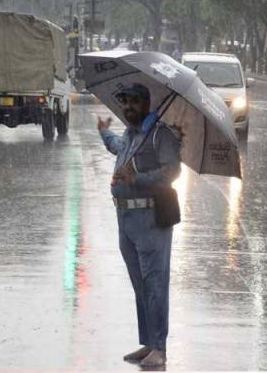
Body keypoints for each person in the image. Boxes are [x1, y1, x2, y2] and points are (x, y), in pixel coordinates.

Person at [96, 83, 181, 368]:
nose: (128, 107)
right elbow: (118, 148)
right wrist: (104, 132)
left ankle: (160, 347)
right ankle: (148, 342)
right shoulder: (132, 134)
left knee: (155, 284)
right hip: (126, 220)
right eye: (124, 102)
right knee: (140, 286)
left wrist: (137, 179)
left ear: (146, 104)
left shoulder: (160, 134)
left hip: (150, 219)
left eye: (133, 102)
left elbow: (173, 171)